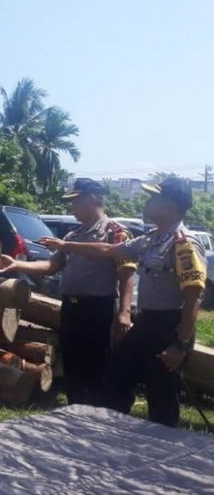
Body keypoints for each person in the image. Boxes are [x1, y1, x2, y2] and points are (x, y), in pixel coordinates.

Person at [40, 178, 206, 427]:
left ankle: (159, 452)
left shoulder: (184, 244)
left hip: (169, 328)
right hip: (145, 323)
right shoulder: (151, 239)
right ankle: (111, 440)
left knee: (161, 398)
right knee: (114, 383)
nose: (147, 202)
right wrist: (66, 245)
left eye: (154, 197)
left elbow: (194, 298)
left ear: (170, 204)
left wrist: (180, 346)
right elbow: (108, 251)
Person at [0, 179, 136, 405]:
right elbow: (51, 266)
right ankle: (76, 406)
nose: (72, 208)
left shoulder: (115, 233)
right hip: (72, 307)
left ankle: (98, 411)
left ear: (92, 199)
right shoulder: (73, 235)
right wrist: (16, 264)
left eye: (76, 201)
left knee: (98, 361)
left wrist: (124, 311)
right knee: (73, 360)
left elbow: (127, 275)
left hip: (98, 308)